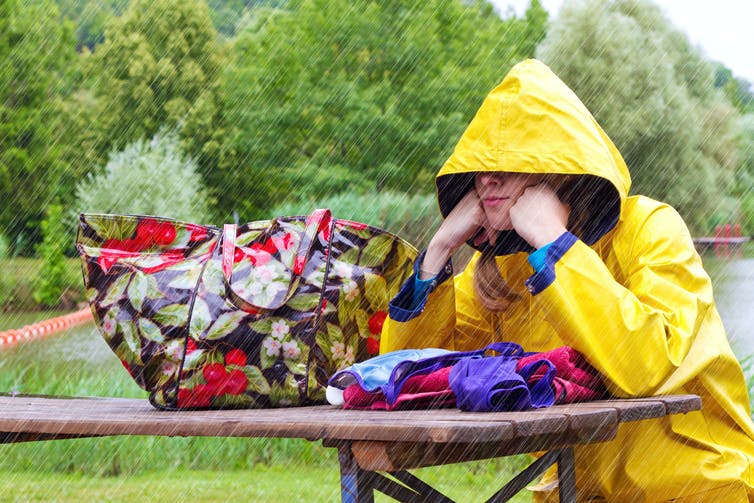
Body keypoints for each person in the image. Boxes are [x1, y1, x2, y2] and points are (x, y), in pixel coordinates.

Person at [380, 59, 754, 501]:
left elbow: (647, 365)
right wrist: (438, 253)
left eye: (511, 163)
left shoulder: (651, 227)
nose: (488, 178)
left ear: (559, 169)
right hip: (576, 490)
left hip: (695, 485)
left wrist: (554, 243)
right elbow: (402, 378)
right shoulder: (501, 271)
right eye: (479, 166)